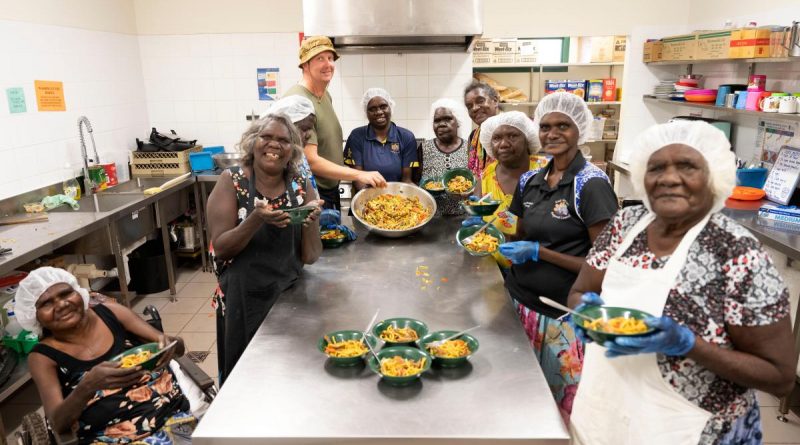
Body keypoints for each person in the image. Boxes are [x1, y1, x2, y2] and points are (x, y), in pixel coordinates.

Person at [568, 120, 796, 445]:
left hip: (692, 426)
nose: (669, 178)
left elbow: (780, 377)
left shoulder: (736, 252)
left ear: (713, 177)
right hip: (607, 406)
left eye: (687, 166)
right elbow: (580, 292)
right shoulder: (626, 224)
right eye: (656, 167)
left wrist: (686, 344)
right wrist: (585, 314)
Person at [497, 92, 618, 420]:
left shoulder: (591, 185)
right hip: (520, 305)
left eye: (563, 126)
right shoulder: (530, 181)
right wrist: (490, 224)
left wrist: (540, 252)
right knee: (522, 401)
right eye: (546, 126)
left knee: (562, 409)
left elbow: (606, 265)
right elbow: (517, 233)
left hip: (561, 315)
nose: (552, 133)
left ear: (580, 129)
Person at [207, 113, 323, 383]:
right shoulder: (232, 181)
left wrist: (309, 221)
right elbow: (221, 248)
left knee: (287, 374)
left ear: (292, 150)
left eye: (283, 141)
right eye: (267, 137)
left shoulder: (299, 185)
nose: (274, 145)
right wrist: (256, 218)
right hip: (242, 297)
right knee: (245, 377)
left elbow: (310, 255)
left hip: (287, 296)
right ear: (253, 142)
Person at [19, 267, 195, 444]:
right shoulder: (42, 357)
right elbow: (58, 424)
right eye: (46, 303)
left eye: (66, 294)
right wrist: (87, 386)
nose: (62, 304)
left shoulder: (112, 313)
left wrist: (171, 344)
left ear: (79, 292)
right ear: (34, 316)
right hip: (110, 439)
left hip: (174, 419)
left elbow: (177, 347)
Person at [285, 36, 386, 209]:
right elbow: (311, 160)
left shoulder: (324, 95)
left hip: (329, 190)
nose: (328, 64)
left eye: (331, 58)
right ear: (305, 65)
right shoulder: (299, 102)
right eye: (320, 59)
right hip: (311, 193)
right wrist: (359, 175)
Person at [463, 111, 549, 269]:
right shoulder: (487, 175)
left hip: (540, 268)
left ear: (527, 140)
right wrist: (476, 215)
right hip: (495, 267)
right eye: (496, 138)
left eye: (512, 136)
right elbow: (477, 211)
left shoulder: (546, 171)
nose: (503, 144)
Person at [269, 95, 356, 241]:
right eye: (304, 129)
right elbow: (278, 213)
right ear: (285, 127)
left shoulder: (299, 157)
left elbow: (307, 195)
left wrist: (319, 217)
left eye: (310, 129)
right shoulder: (273, 165)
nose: (308, 134)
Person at [343, 88, 418, 191]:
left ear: (390, 107)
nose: (378, 112)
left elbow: (406, 180)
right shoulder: (357, 136)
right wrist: (374, 202)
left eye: (383, 107)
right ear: (366, 112)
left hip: (398, 199)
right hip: (366, 198)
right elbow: (358, 179)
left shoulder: (406, 137)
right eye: (372, 109)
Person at [420, 98, 471, 216]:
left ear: (458, 122)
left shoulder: (470, 148)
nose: (442, 124)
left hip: (463, 216)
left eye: (448, 119)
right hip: (430, 217)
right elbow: (413, 180)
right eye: (437, 120)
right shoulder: (423, 149)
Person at [464, 80, 500, 179]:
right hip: (480, 193)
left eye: (480, 101)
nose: (474, 108)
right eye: (469, 106)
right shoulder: (473, 136)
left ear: (495, 101)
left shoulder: (510, 131)